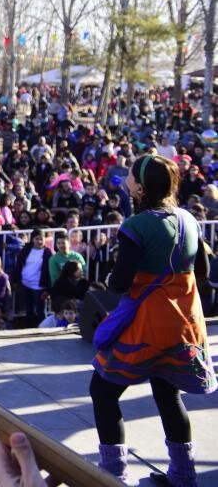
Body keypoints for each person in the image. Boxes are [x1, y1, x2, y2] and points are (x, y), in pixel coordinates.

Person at [90, 154, 216, 486]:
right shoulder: (189, 219)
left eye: (131, 174)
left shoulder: (135, 226)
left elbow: (119, 283)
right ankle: (183, 475)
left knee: (102, 391)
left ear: (141, 188)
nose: (127, 178)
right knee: (168, 392)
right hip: (185, 323)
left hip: (147, 324)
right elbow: (202, 271)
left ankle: (112, 475)